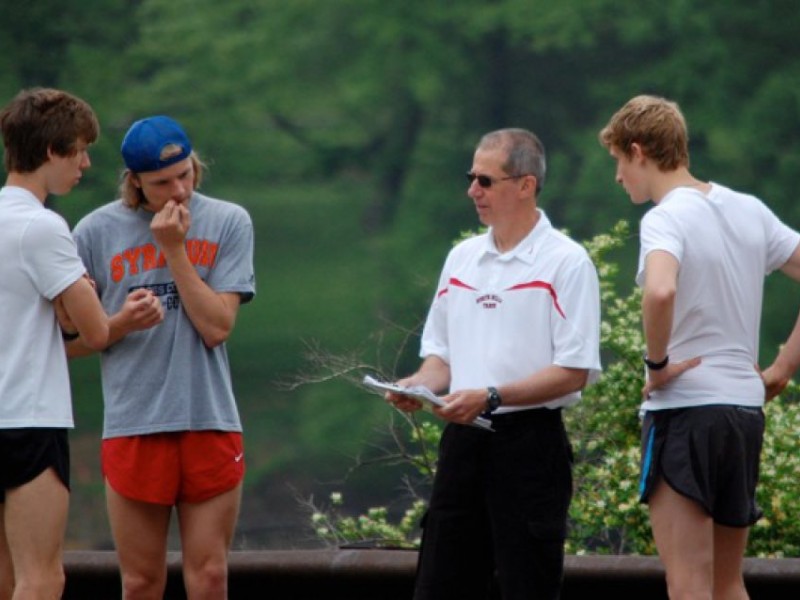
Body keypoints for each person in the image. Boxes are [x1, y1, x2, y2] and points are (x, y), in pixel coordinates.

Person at [598, 94, 800, 600]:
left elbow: (660, 289)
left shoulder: (665, 218)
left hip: (685, 412)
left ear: (639, 151)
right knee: (727, 583)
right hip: (743, 411)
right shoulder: (749, 210)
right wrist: (781, 368)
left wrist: (657, 364)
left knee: (687, 582)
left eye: (619, 163)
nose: (619, 178)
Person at [387, 128, 602, 600]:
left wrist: (492, 395)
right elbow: (440, 356)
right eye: (471, 178)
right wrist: (417, 386)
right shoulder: (462, 257)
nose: (472, 191)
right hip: (462, 444)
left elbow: (575, 370)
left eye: (485, 180)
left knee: (527, 588)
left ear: (525, 185)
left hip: (530, 446)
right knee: (441, 586)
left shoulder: (567, 262)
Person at [66, 115, 256, 599]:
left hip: (207, 415)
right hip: (134, 421)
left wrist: (173, 251)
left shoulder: (228, 220)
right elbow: (67, 344)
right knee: (141, 580)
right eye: (162, 183)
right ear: (134, 182)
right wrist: (121, 324)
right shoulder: (93, 233)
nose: (178, 191)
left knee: (210, 575)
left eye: (185, 175)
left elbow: (217, 327)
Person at [0, 88, 110, 599]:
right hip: (28, 419)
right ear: (52, 151)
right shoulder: (42, 227)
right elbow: (96, 331)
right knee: (42, 577)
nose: (85, 164)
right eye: (80, 150)